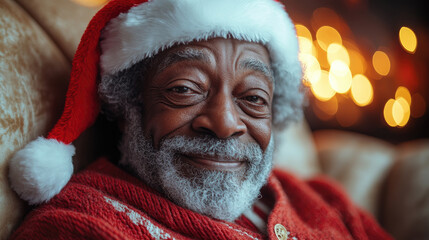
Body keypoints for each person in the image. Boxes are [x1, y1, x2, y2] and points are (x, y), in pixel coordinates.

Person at [8, 0, 392, 239]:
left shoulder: (323, 200)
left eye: (253, 98)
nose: (225, 124)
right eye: (185, 90)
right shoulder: (78, 225)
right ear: (128, 106)